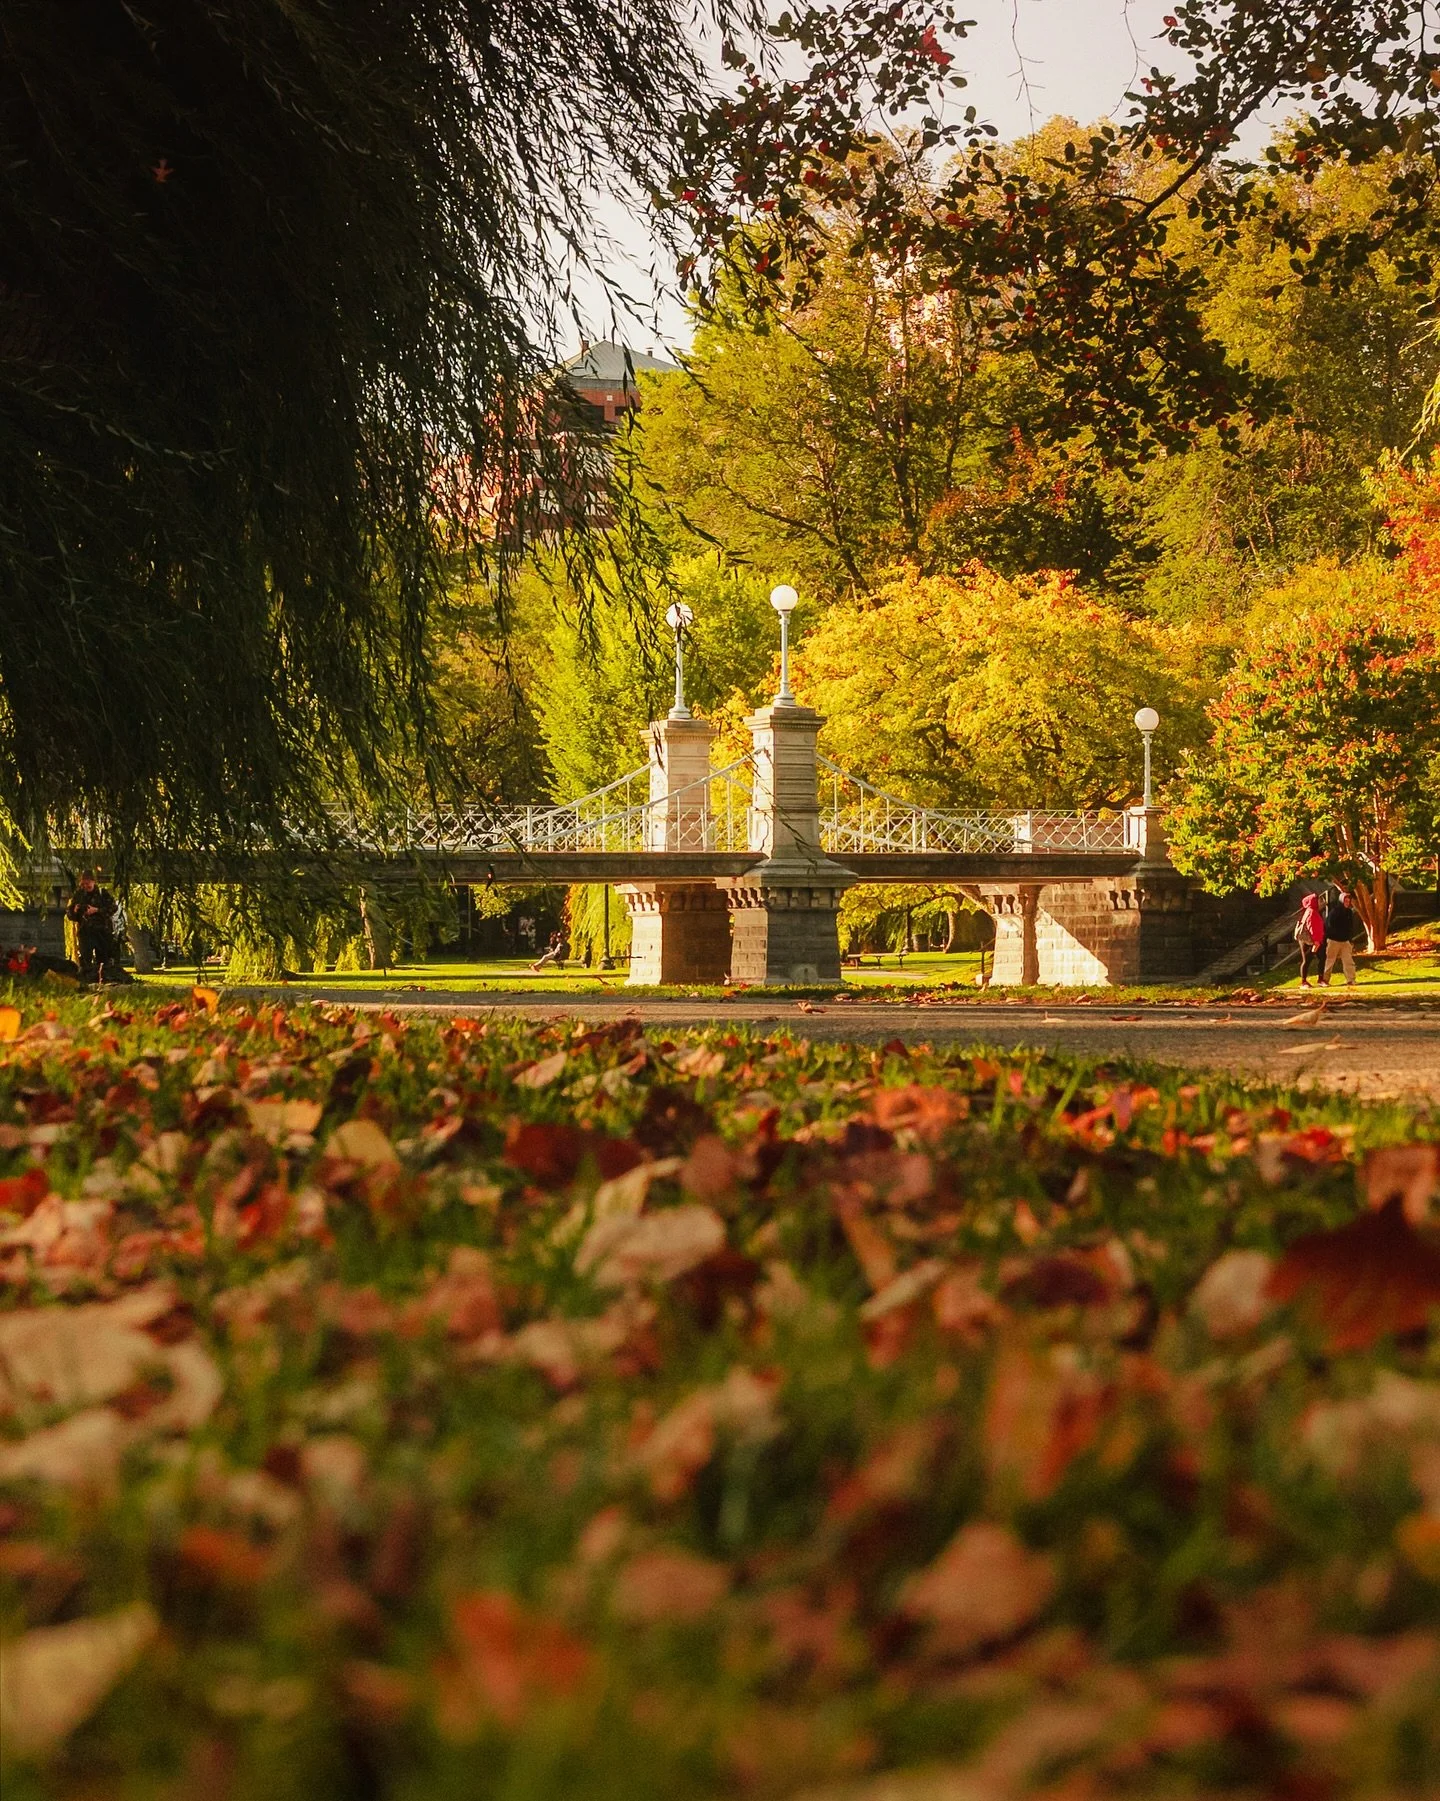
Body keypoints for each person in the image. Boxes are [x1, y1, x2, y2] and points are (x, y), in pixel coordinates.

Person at [66, 871, 120, 984]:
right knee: (85, 959)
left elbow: (113, 908)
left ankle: (104, 980)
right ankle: (86, 981)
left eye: (88, 883)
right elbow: (70, 915)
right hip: (85, 932)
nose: (86, 886)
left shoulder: (102, 894)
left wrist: (97, 910)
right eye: (83, 884)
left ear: (93, 882)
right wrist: (75, 910)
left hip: (102, 932)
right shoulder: (79, 895)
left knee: (103, 959)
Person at [1320, 886, 1359, 987]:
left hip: (1345, 941)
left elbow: (1350, 927)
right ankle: (1324, 979)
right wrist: (1330, 937)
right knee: (1329, 961)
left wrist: (1350, 939)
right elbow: (1328, 926)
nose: (1347, 903)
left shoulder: (1349, 912)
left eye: (1348, 901)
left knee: (1348, 961)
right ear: (1341, 901)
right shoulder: (1334, 912)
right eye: (1345, 901)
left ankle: (1351, 980)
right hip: (1334, 940)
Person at [1293, 891, 1326, 988]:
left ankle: (1320, 979)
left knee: (1321, 958)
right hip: (1309, 941)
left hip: (1315, 940)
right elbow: (1312, 927)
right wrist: (1316, 941)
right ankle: (1304, 982)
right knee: (1307, 960)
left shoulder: (1313, 911)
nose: (1320, 902)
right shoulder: (1311, 912)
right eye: (1318, 900)